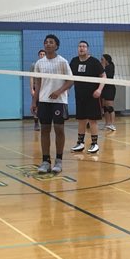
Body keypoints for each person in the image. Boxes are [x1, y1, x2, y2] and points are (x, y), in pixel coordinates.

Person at [32, 34, 74, 174]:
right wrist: (34, 101)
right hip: (44, 101)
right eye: (46, 42)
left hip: (59, 101)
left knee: (59, 129)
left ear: (56, 45)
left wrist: (59, 91)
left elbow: (70, 81)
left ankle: (59, 160)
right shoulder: (39, 63)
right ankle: (45, 161)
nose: (48, 44)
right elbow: (38, 83)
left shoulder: (62, 62)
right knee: (44, 130)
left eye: (51, 42)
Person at [70, 40, 106, 154]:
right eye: (80, 46)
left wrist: (99, 89)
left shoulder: (94, 62)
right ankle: (80, 143)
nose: (81, 48)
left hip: (92, 96)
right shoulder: (74, 61)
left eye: (84, 46)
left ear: (88, 49)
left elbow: (104, 76)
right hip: (80, 95)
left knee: (92, 120)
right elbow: (70, 77)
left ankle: (94, 144)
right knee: (81, 120)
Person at [30, 49, 46, 132]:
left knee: (43, 106)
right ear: (38, 55)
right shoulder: (34, 65)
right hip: (36, 88)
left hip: (45, 88)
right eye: (41, 54)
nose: (42, 55)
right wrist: (32, 89)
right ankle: (36, 123)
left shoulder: (47, 65)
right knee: (35, 106)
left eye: (43, 54)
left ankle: (44, 122)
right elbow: (31, 78)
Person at [101, 53, 117, 132]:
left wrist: (103, 65)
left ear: (106, 60)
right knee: (105, 107)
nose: (101, 61)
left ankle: (112, 124)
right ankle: (107, 124)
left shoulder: (110, 66)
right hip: (103, 88)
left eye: (102, 59)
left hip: (110, 88)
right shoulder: (103, 67)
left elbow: (108, 76)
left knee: (110, 107)